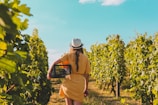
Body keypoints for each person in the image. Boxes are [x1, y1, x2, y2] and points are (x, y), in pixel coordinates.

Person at [47, 38, 91, 105]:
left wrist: (49, 73)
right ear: (81, 47)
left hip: (68, 84)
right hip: (79, 85)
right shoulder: (85, 58)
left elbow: (55, 63)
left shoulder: (68, 55)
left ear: (72, 47)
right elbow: (87, 75)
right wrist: (86, 88)